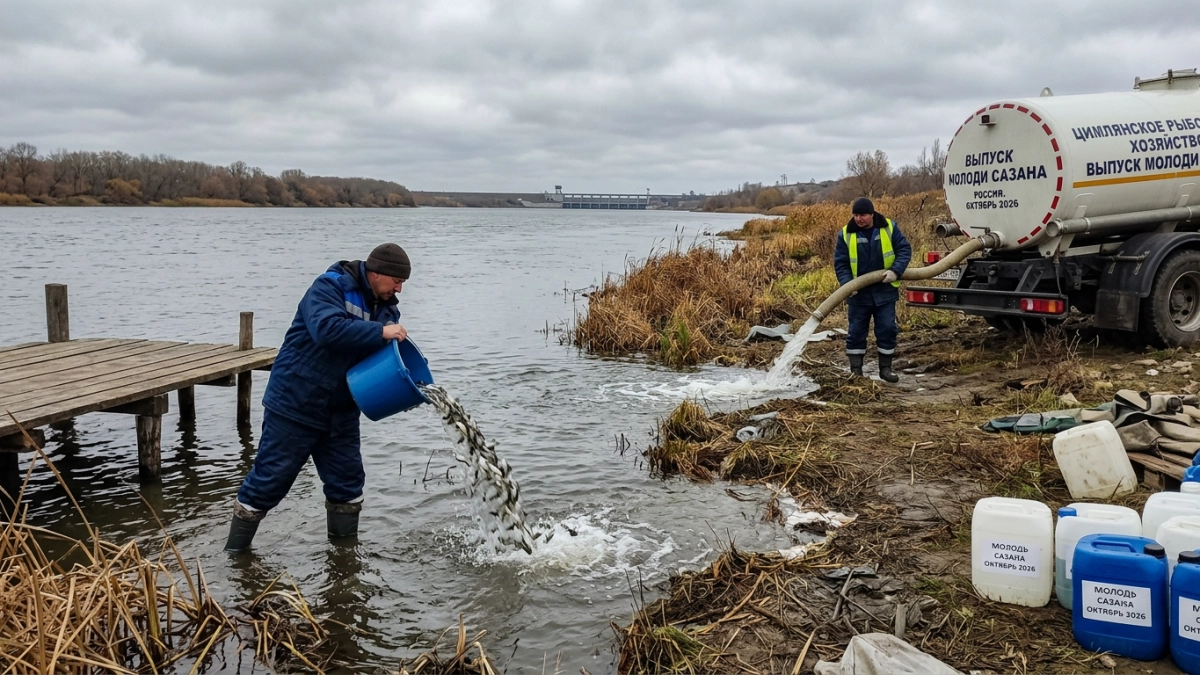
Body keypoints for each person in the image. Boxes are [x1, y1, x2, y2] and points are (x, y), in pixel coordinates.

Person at [225, 243, 412, 551]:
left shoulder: (388, 309)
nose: (400, 289)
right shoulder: (330, 287)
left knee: (348, 485)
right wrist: (379, 333)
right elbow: (326, 330)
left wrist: (401, 387)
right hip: (295, 402)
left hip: (342, 410)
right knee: (268, 481)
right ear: (376, 273)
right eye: (396, 281)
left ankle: (344, 561)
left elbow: (380, 360)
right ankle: (235, 556)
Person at [833, 198, 912, 383]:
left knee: (887, 329)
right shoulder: (846, 234)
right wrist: (848, 284)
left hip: (884, 291)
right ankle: (856, 371)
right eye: (855, 215)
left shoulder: (889, 228)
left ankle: (885, 369)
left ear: (872, 214)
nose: (858, 219)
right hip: (858, 294)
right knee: (856, 332)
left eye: (862, 215)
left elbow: (904, 250)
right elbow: (841, 263)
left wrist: (896, 271)